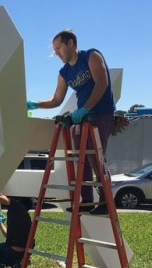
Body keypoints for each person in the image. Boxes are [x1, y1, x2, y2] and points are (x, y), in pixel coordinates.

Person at [27, 29, 115, 215]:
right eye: (54, 50)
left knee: (95, 158)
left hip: (100, 114)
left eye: (59, 48)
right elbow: (56, 99)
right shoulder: (64, 72)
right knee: (80, 159)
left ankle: (105, 201)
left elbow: (102, 83)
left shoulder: (91, 56)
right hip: (82, 118)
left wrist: (85, 108)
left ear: (71, 44)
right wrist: (35, 104)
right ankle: (86, 201)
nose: (57, 53)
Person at [0, 194, 33, 268]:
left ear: (20, 202)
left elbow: (1, 199)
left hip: (10, 250)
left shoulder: (17, 206)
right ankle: (19, 261)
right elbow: (7, 235)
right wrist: (0, 223)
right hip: (22, 252)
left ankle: (14, 263)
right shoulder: (25, 219)